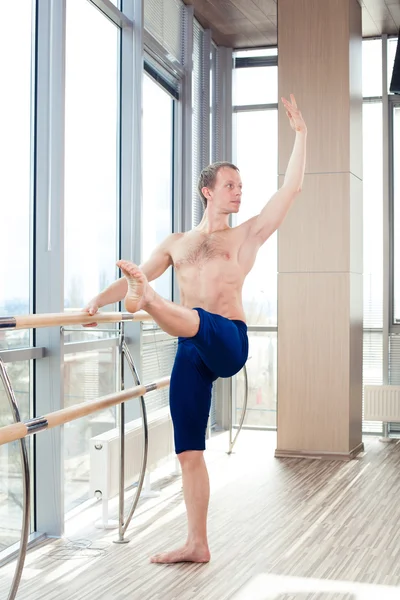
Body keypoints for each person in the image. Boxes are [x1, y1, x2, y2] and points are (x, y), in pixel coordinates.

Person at [84, 94, 307, 564]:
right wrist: (95, 303)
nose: (239, 193)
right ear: (208, 190)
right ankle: (197, 543)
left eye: (241, 187)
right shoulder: (177, 243)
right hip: (190, 352)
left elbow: (289, 192)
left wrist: (301, 135)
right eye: (230, 185)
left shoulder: (246, 235)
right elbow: (131, 274)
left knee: (193, 319)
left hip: (227, 339)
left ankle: (150, 301)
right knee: (189, 450)